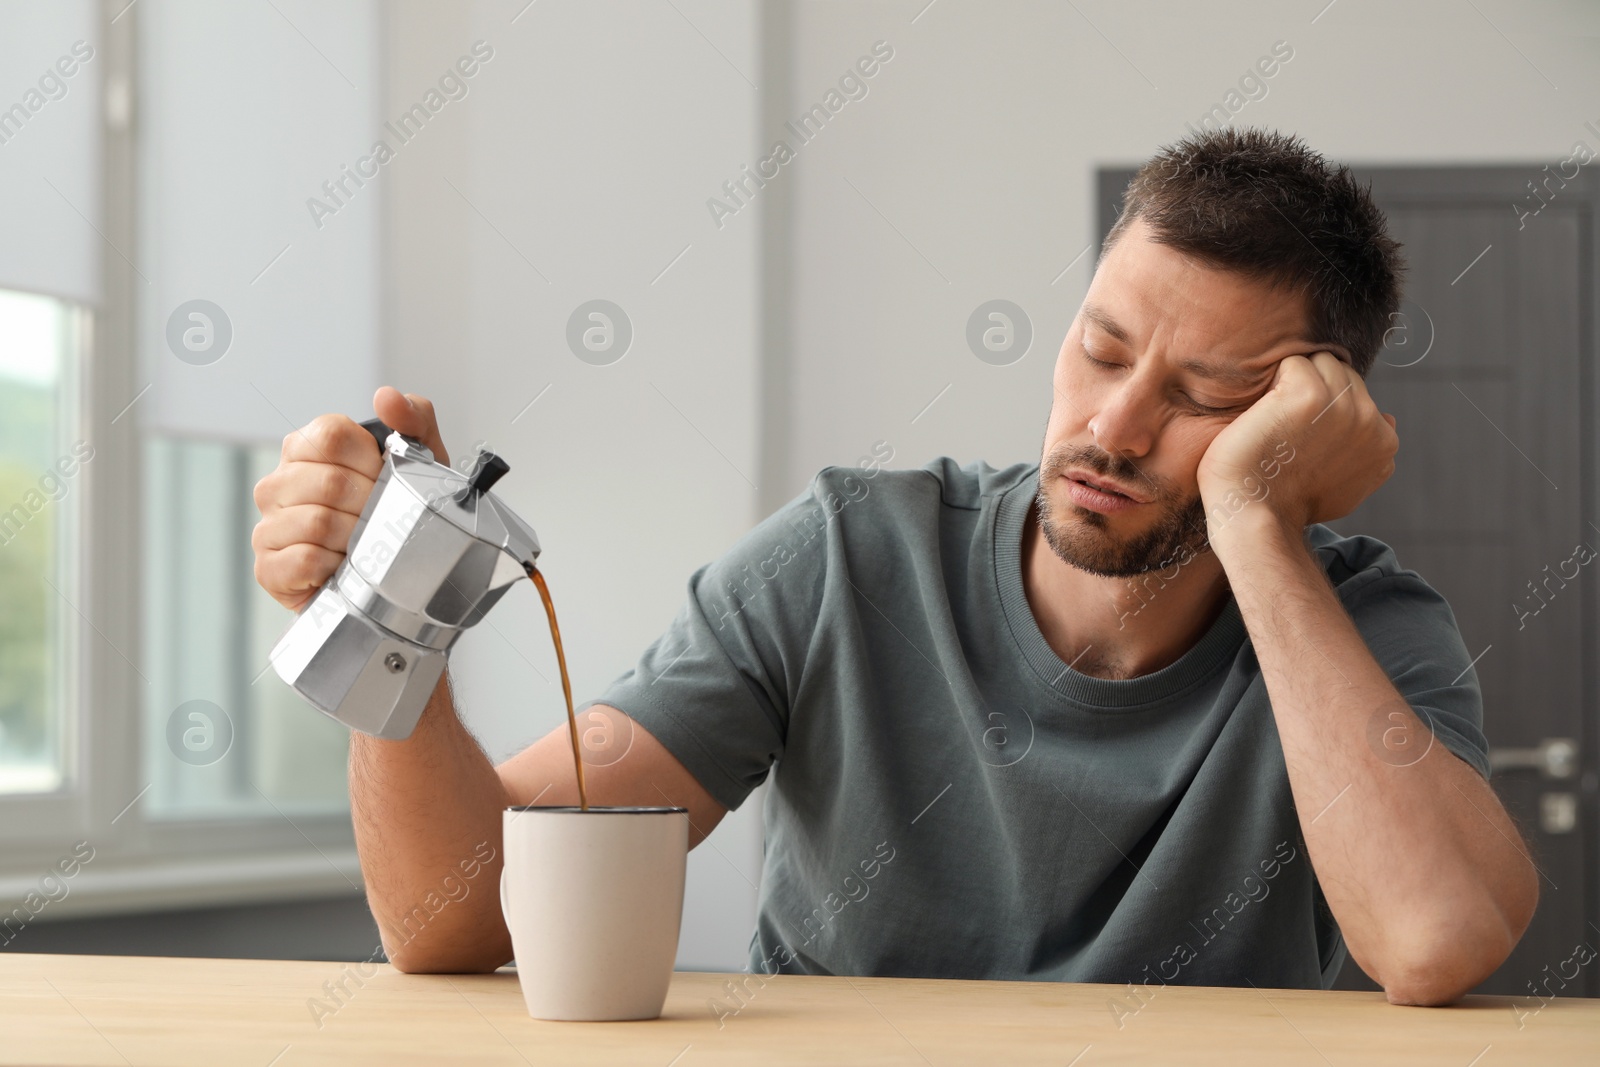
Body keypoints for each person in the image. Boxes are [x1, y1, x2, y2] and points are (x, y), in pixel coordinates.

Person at [251, 128, 1535, 1006]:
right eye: (1100, 348)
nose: (1113, 426)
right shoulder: (849, 557)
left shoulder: (1358, 620)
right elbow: (455, 918)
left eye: (1204, 396)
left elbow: (1434, 938)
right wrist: (389, 612)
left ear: (1296, 426)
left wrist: (1259, 524)